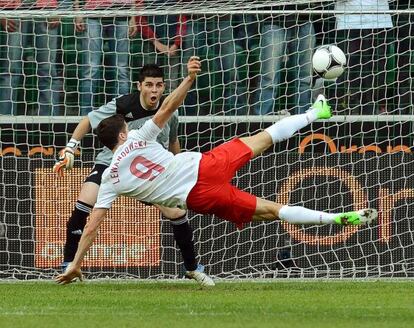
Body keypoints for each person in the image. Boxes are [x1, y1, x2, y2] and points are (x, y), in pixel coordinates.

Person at [56, 84, 378, 284]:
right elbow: (168, 108)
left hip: (198, 197)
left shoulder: (111, 179)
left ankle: (333, 219)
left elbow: (92, 226)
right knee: (261, 139)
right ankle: (314, 113)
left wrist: (76, 264)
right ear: (123, 134)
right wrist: (190, 78)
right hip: (204, 165)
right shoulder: (138, 137)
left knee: (269, 211)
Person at [54, 57, 214, 286]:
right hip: (110, 166)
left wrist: (177, 172)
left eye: (159, 85)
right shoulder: (123, 105)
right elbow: (88, 121)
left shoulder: (170, 111)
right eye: (149, 84)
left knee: (176, 214)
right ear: (140, 86)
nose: (154, 90)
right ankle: (69, 264)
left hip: (147, 173)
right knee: (84, 202)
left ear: (164, 87)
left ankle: (191, 268)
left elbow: (173, 142)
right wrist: (71, 147)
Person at [74, 0, 138, 115]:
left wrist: (132, 16)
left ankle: (121, 118)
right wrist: (78, 11)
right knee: (91, 70)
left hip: (122, 12)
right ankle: (85, 120)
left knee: (121, 70)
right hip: (93, 12)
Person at [0, 3, 61, 115]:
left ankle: (50, 125)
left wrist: (59, 10)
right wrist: (2, 12)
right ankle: (5, 124)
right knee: (10, 69)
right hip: (12, 9)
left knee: (48, 70)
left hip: (47, 8)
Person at [333, 0, 393, 114]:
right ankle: (349, 110)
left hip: (379, 20)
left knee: (377, 72)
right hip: (349, 21)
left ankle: (375, 110)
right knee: (350, 71)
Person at [255, 3, 315, 115]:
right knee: (269, 78)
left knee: (305, 78)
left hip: (304, 18)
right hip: (273, 18)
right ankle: (262, 122)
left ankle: (304, 122)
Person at [135, 0, 187, 92]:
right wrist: (155, 41)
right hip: (150, 43)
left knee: (172, 83)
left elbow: (182, 20)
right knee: (149, 79)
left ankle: (171, 106)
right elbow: (140, 19)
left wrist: (176, 43)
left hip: (172, 44)